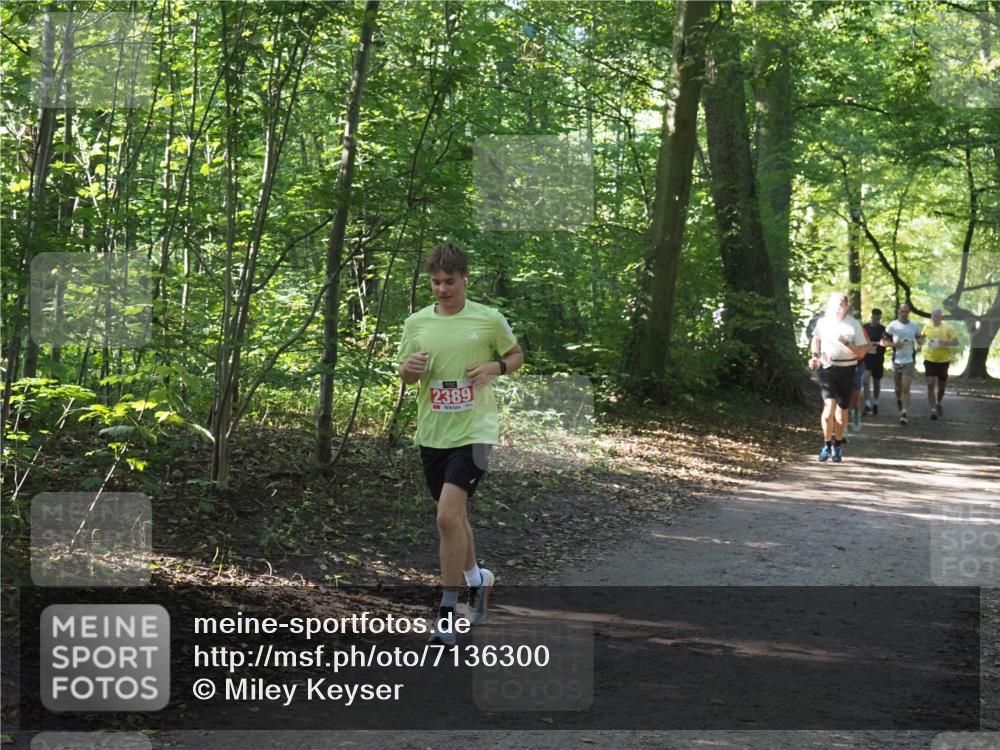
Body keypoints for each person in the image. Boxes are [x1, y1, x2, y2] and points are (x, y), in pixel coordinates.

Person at [397, 243, 524, 646]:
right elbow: (405, 376)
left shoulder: (488, 320)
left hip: (476, 432)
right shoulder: (416, 323)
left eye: (449, 281)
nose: (442, 289)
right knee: (455, 518)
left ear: (465, 279)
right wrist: (409, 370)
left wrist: (496, 367)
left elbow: (517, 355)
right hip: (433, 433)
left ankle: (448, 615)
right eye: (435, 282)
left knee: (447, 518)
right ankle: (477, 579)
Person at [809, 292, 868, 463]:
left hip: (848, 369)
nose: (837, 309)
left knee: (841, 412)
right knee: (828, 407)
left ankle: (837, 444)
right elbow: (816, 340)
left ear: (846, 307)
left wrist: (846, 342)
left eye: (841, 306)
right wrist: (814, 356)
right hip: (827, 367)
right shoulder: (823, 322)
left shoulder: (853, 324)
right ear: (830, 306)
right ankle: (826, 444)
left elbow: (862, 351)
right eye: (835, 305)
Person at [882, 303, 924, 426]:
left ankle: (904, 413)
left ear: (909, 312)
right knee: (897, 388)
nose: (904, 314)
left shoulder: (914, 326)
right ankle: (899, 400)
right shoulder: (893, 325)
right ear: (899, 312)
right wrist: (894, 345)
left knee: (906, 388)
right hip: (897, 360)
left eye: (906, 311)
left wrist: (920, 343)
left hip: (909, 360)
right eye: (902, 311)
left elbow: (919, 339)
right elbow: (883, 341)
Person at [921, 307, 960, 420]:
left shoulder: (948, 328)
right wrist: (919, 343)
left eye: (937, 316)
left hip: (943, 360)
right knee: (930, 384)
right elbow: (922, 339)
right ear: (931, 316)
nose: (935, 318)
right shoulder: (926, 327)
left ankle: (939, 402)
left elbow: (956, 342)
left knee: (941, 386)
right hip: (929, 359)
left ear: (941, 317)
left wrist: (944, 343)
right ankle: (933, 409)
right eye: (933, 316)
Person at [862, 308, 887, 415]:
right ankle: (867, 404)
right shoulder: (865, 327)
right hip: (867, 358)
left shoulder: (884, 329)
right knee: (866, 380)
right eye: (874, 318)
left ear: (880, 318)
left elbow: (886, 342)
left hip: (878, 358)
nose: (875, 320)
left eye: (877, 318)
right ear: (871, 317)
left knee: (877, 383)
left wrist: (876, 344)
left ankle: (875, 402)